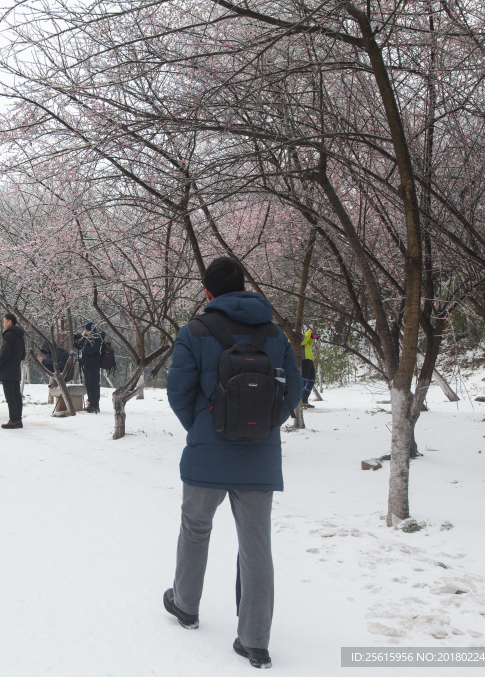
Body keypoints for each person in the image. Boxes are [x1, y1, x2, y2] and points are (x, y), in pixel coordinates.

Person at [163, 256, 302, 670]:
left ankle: (185, 606)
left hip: (208, 452)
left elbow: (178, 392)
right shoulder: (273, 333)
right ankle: (255, 641)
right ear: (243, 287)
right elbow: (293, 389)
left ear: (207, 293)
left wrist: (204, 427)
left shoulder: (194, 331)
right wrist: (264, 427)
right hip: (260, 456)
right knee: (256, 544)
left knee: (196, 528)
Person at [0, 314, 26, 429]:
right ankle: (18, 419)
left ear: (9, 322)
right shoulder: (20, 336)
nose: (3, 324)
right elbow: (23, 354)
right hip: (16, 369)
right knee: (17, 395)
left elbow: (4, 353)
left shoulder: (8, 335)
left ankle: (13, 420)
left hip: (7, 369)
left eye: (4, 321)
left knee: (10, 396)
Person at [72, 322, 104, 412]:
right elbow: (80, 347)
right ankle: (90, 403)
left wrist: (83, 343)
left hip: (93, 365)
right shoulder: (87, 338)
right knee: (88, 385)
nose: (85, 331)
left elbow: (91, 350)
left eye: (86, 329)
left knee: (94, 385)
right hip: (87, 364)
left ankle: (95, 405)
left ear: (90, 330)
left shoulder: (97, 338)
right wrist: (76, 342)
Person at [300, 327, 318, 409]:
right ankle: (299, 401)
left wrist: (311, 337)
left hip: (309, 359)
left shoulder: (303, 335)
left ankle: (304, 400)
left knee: (311, 381)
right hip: (303, 360)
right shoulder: (293, 336)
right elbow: (302, 341)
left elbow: (308, 345)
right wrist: (308, 332)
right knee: (303, 381)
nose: (301, 329)